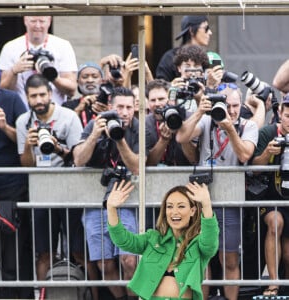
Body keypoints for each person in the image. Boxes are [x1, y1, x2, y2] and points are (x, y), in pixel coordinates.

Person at [176, 84, 258, 300]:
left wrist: (230, 128)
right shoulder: (205, 121)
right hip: (202, 200)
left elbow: (244, 155)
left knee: (229, 258)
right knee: (201, 258)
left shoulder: (248, 126)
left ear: (241, 105)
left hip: (230, 201)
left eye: (235, 105)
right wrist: (200, 111)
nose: (231, 111)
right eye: (226, 105)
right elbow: (181, 138)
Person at [73, 86, 141, 300]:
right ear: (111, 107)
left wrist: (119, 138)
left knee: (129, 259)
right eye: (120, 107)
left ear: (134, 108)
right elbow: (78, 160)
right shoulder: (95, 124)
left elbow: (137, 167)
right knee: (104, 263)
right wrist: (94, 135)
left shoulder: (138, 127)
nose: (124, 112)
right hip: (96, 204)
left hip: (127, 203)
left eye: (129, 107)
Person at [15, 74, 83, 287]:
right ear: (27, 98)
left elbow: (78, 159)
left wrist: (57, 148)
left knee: (79, 251)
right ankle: (42, 293)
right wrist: (28, 146)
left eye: (42, 94)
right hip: (41, 193)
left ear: (51, 94)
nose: (39, 100)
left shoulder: (69, 117)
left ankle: (91, 293)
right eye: (33, 96)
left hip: (70, 192)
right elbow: (27, 165)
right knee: (44, 252)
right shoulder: (23, 122)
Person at [107, 180, 219, 300]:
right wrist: (111, 208)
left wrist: (206, 205)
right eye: (169, 206)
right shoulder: (152, 238)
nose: (174, 212)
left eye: (181, 206)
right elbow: (123, 241)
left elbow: (210, 241)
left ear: (192, 211)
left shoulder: (198, 243)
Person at [0, 53, 33, 299]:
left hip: (10, 187)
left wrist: (5, 127)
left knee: (13, 248)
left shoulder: (11, 98)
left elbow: (26, 141)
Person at [251, 95, 289, 296]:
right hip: (269, 195)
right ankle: (273, 283)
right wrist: (268, 153)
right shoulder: (267, 132)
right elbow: (253, 168)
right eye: (288, 116)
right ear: (279, 115)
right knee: (275, 223)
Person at [0, 15, 78, 109]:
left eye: (42, 21)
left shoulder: (63, 46)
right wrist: (14, 71)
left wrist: (51, 75)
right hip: (21, 114)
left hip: (55, 115)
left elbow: (71, 91)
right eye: (33, 21)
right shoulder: (10, 47)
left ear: (49, 21)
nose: (37, 25)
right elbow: (2, 91)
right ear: (25, 20)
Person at [156, 15, 212, 82]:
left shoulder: (208, 57)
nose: (210, 32)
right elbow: (160, 87)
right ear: (191, 30)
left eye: (197, 66)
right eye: (206, 28)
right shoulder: (169, 58)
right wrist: (173, 88)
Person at [62, 61, 108, 127]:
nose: (90, 80)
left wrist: (108, 112)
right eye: (85, 77)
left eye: (95, 77)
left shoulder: (108, 103)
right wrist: (78, 110)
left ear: (102, 81)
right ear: (78, 81)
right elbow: (64, 130)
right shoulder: (68, 106)